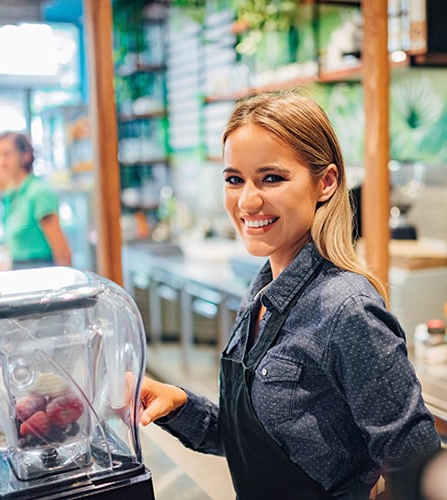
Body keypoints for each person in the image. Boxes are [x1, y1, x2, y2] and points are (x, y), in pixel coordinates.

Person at [139, 92, 441, 500]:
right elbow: (257, 445)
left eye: (272, 178)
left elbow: (415, 468)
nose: (247, 200)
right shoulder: (261, 293)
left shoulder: (347, 309)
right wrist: (176, 404)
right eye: (234, 179)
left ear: (326, 182)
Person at [0, 131, 72, 269]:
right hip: (20, 274)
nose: (0, 162)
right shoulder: (10, 194)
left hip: (41, 276)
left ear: (25, 156)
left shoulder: (38, 192)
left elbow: (62, 252)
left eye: (7, 154)